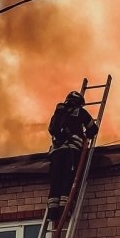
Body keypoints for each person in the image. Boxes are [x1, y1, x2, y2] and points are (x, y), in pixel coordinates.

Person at [47, 91, 99, 222]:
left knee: (56, 180)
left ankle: (53, 212)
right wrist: (86, 136)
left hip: (55, 152)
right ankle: (65, 209)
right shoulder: (80, 112)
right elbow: (93, 128)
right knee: (68, 178)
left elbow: (51, 130)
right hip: (71, 151)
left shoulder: (58, 113)